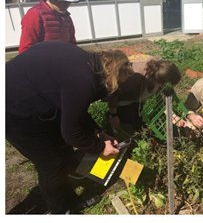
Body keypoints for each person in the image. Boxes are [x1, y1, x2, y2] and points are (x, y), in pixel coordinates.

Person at [6, 40, 134, 214]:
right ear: (111, 75)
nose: (115, 89)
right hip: (14, 108)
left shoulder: (88, 64)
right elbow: (70, 133)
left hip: (35, 96)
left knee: (64, 154)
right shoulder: (83, 81)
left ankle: (71, 201)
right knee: (50, 163)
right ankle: (61, 211)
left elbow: (74, 107)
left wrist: (99, 133)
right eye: (117, 83)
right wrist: (99, 148)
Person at [107, 56, 181, 132]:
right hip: (120, 96)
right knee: (128, 124)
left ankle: (139, 132)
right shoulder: (133, 79)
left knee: (139, 122)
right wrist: (113, 115)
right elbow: (113, 93)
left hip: (136, 95)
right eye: (168, 86)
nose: (170, 88)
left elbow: (162, 97)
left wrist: (172, 115)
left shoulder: (160, 70)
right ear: (159, 82)